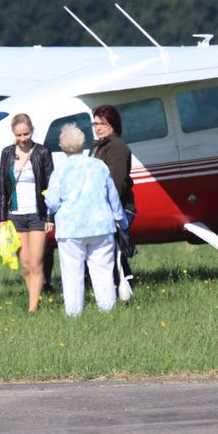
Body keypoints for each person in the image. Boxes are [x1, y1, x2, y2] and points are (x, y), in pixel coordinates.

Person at [45, 124, 128, 317]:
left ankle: (74, 314)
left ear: (62, 146)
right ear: (83, 143)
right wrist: (121, 221)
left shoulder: (61, 171)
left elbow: (53, 202)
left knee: (72, 274)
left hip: (71, 230)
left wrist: (46, 200)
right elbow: (112, 197)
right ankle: (108, 311)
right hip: (101, 226)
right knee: (103, 272)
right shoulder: (99, 166)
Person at [0, 113, 54, 313]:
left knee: (37, 262)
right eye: (19, 135)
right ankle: (34, 299)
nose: (23, 139)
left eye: (26, 134)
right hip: (16, 216)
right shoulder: (6, 154)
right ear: (13, 133)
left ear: (32, 130)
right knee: (26, 265)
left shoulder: (42, 152)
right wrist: (2, 218)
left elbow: (50, 186)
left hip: (37, 214)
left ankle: (32, 308)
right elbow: (3, 188)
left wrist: (49, 217)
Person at [89, 104, 137, 298]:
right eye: (96, 123)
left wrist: (109, 211)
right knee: (109, 252)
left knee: (114, 252)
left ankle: (125, 290)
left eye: (103, 123)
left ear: (113, 125)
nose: (98, 127)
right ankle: (120, 290)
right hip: (100, 207)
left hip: (119, 208)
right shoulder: (97, 145)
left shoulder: (117, 147)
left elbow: (116, 183)